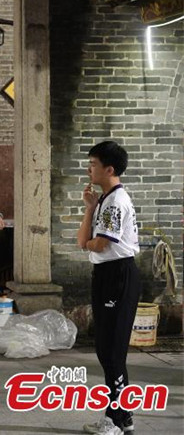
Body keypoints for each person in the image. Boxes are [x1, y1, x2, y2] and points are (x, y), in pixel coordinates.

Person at [77, 141, 140, 435]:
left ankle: (115, 420)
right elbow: (83, 241)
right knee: (106, 350)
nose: (89, 168)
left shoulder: (116, 201)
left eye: (93, 163)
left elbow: (100, 244)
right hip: (105, 274)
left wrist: (92, 242)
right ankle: (122, 416)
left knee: (112, 353)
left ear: (109, 168)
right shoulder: (104, 199)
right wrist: (89, 209)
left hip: (118, 276)